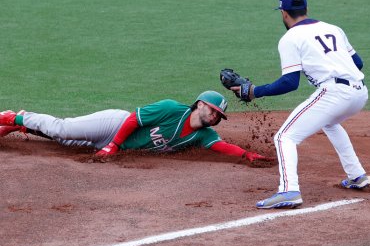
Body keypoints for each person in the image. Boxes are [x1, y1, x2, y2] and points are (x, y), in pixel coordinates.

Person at [227, 0, 369, 209]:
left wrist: (255, 91)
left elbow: (289, 83)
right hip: (360, 93)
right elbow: (357, 63)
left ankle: (288, 191)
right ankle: (357, 176)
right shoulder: (333, 29)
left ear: (284, 13)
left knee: (284, 137)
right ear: (306, 9)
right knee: (330, 123)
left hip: (334, 93)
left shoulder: (290, 38)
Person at [0, 91, 271, 163]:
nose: (214, 117)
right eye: (213, 111)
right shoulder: (171, 108)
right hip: (115, 125)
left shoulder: (203, 135)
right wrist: (113, 144)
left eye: (218, 116)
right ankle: (12, 118)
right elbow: (133, 119)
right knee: (64, 130)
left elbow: (222, 146)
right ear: (200, 104)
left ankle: (22, 124)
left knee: (64, 143)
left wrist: (247, 155)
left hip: (114, 143)